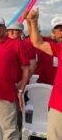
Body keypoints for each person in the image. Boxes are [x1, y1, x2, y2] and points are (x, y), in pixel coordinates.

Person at [25, 9, 62, 140]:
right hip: (58, 103)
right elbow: (36, 40)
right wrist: (32, 22)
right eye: (58, 29)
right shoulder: (57, 47)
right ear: (54, 32)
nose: (61, 32)